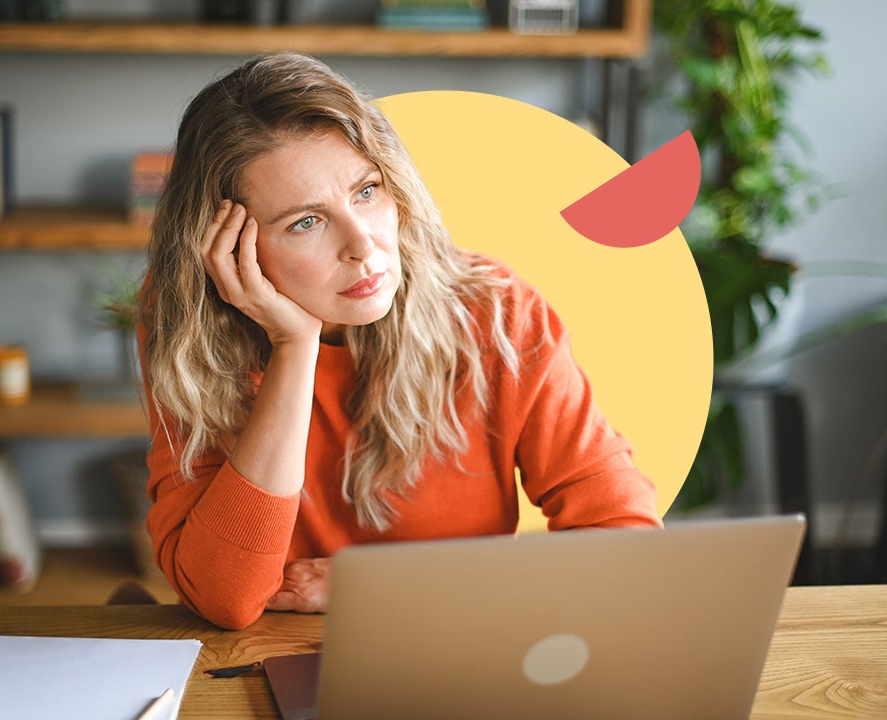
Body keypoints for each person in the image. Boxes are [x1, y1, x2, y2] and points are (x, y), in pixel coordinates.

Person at [139, 52, 660, 630]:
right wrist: (294, 348)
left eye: (367, 191)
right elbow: (223, 598)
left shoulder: (496, 312)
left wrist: (386, 585)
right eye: (305, 222)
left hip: (460, 640)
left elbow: (625, 539)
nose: (363, 245)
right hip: (267, 660)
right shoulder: (188, 326)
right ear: (231, 247)